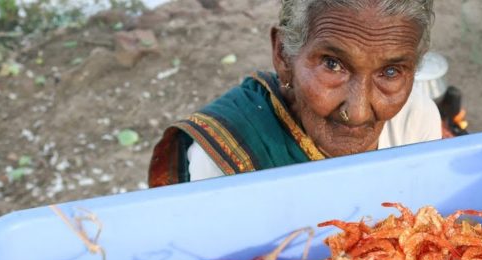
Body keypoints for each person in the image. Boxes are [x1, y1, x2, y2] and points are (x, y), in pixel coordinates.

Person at [149, 0, 440, 186]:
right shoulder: (223, 159)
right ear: (283, 56)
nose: (359, 111)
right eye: (332, 64)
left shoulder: (415, 118)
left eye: (390, 72)